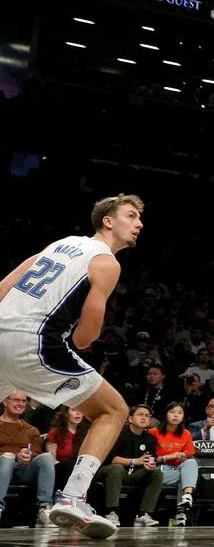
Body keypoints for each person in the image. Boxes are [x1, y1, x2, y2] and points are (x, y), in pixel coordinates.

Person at [0, 194, 143, 538]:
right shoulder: (106, 262)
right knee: (113, 410)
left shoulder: (60, 244)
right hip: (34, 341)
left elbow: (3, 286)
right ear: (107, 220)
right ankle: (73, 498)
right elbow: (84, 338)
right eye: (131, 215)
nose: (139, 224)